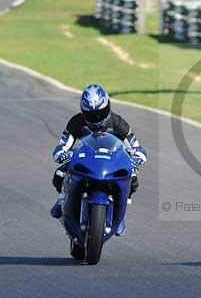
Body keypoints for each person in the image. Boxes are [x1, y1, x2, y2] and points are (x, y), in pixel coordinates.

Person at [50, 84, 147, 222]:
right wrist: (63, 154)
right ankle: (61, 200)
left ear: (108, 106)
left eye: (100, 113)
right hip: (85, 160)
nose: (96, 118)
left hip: (112, 162)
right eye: (91, 115)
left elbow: (136, 147)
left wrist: (137, 158)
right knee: (59, 173)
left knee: (133, 178)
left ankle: (120, 212)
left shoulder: (119, 123)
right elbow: (62, 146)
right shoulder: (76, 122)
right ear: (83, 112)